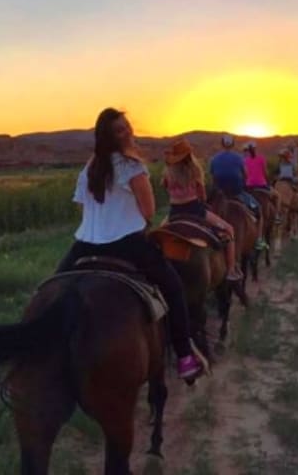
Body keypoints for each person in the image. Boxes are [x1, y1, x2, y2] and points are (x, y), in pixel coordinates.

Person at [56, 108, 205, 380]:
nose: (128, 132)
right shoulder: (132, 167)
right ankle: (184, 356)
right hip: (127, 243)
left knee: (53, 288)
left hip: (84, 245)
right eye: (121, 130)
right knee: (173, 286)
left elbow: (83, 208)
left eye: (127, 126)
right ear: (111, 137)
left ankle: (43, 352)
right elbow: (148, 212)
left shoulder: (88, 169)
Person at [161, 140, 243, 282]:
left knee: (157, 238)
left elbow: (164, 187)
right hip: (195, 210)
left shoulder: (168, 173)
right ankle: (231, 270)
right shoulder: (195, 170)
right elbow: (202, 195)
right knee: (229, 230)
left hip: (174, 213)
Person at [209, 134, 262, 221]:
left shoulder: (214, 159)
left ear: (222, 144)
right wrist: (244, 183)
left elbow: (212, 176)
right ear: (233, 144)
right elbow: (245, 174)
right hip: (236, 191)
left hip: (219, 191)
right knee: (256, 207)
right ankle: (259, 233)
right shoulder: (239, 158)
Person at [241, 142, 271, 252]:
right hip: (262, 185)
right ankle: (277, 216)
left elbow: (245, 175)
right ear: (255, 149)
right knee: (276, 197)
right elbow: (265, 172)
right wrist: (268, 182)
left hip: (249, 187)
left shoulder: (244, 161)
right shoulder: (261, 158)